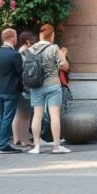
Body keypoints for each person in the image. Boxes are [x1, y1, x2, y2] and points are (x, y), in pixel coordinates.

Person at [26, 23, 70, 154]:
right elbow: (64, 66)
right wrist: (64, 54)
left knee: (37, 115)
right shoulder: (54, 48)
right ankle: (56, 146)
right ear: (52, 35)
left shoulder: (31, 49)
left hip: (35, 85)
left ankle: (36, 146)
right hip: (52, 85)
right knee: (54, 115)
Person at [0, 28, 24, 154]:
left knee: (2, 116)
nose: (16, 38)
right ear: (12, 37)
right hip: (11, 90)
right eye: (15, 36)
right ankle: (3, 145)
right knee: (7, 118)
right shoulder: (15, 54)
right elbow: (21, 72)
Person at [12, 30, 37, 147]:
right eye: (32, 39)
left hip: (18, 86)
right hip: (26, 87)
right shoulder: (26, 53)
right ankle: (24, 140)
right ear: (27, 40)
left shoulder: (18, 51)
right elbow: (28, 70)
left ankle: (16, 139)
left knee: (18, 113)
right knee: (26, 114)